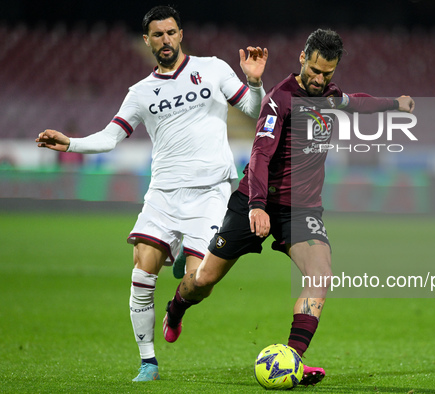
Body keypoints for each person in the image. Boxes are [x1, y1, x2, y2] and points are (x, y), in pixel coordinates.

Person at [162, 28, 414, 387]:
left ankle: (292, 360)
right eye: (314, 69)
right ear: (302, 58)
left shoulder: (329, 96)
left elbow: (356, 102)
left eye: (327, 73)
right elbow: (261, 154)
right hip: (255, 201)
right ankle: (176, 309)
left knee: (321, 275)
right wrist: (257, 205)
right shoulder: (279, 99)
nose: (319, 78)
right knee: (203, 280)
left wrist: (394, 103)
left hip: (302, 210)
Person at [35, 5, 268, 382]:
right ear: (147, 41)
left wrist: (254, 82)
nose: (165, 40)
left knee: (201, 283)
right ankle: (148, 363)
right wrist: (70, 143)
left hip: (210, 192)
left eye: (171, 32)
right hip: (162, 194)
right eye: (157, 35)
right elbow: (111, 137)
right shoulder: (140, 92)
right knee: (141, 271)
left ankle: (176, 309)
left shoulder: (213, 68)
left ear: (181, 33)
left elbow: (252, 110)